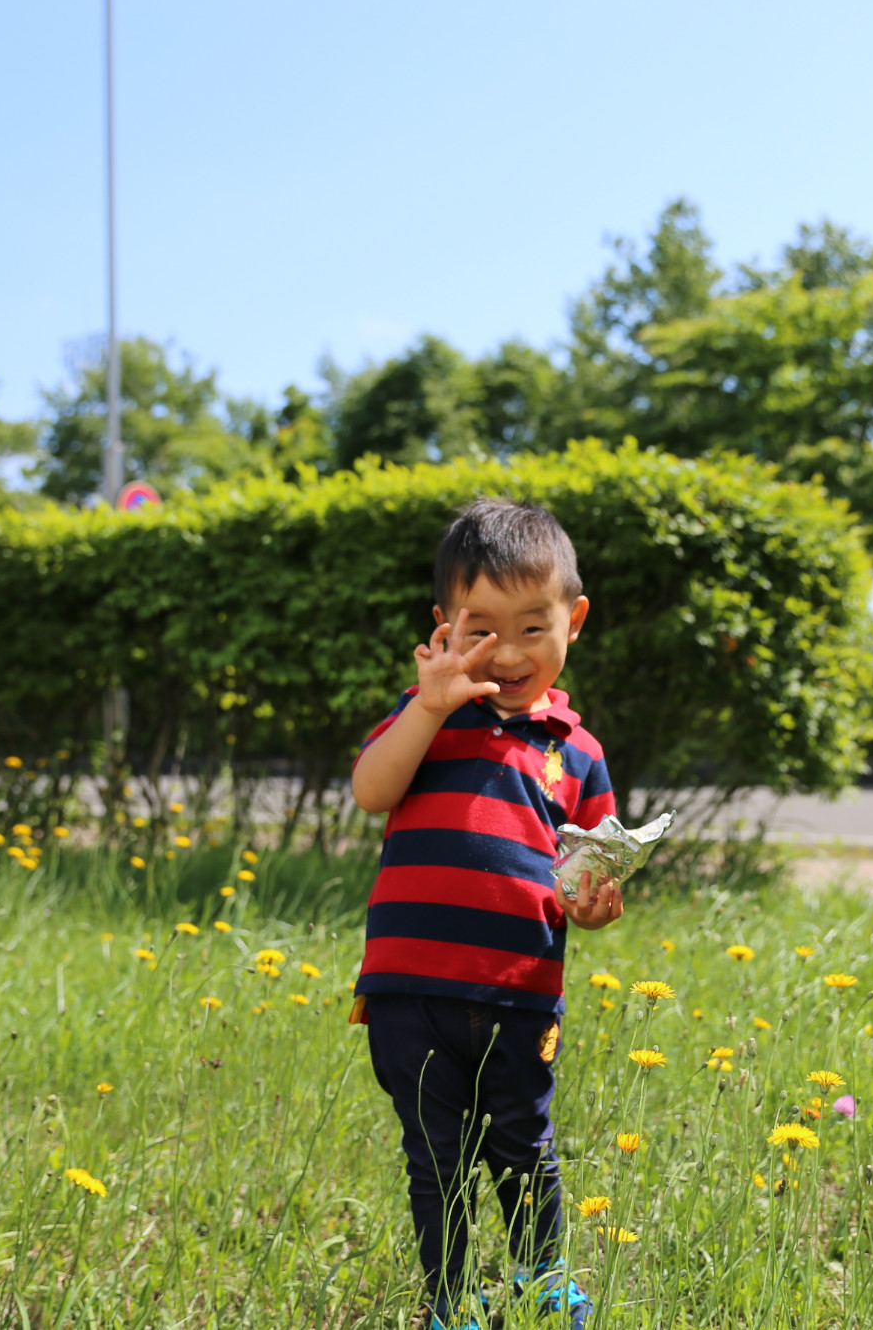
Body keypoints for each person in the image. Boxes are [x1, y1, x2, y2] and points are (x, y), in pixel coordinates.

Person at [350, 499, 622, 1330]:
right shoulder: (422, 714)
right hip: (410, 989)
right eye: (482, 630)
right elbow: (371, 791)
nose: (507, 654)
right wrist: (427, 706)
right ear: (442, 627)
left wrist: (598, 906)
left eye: (533, 628)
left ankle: (540, 1280)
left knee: (522, 1146)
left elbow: (591, 876)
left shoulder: (579, 750)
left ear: (572, 621)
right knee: (434, 1158)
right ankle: (450, 1302)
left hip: (522, 989)